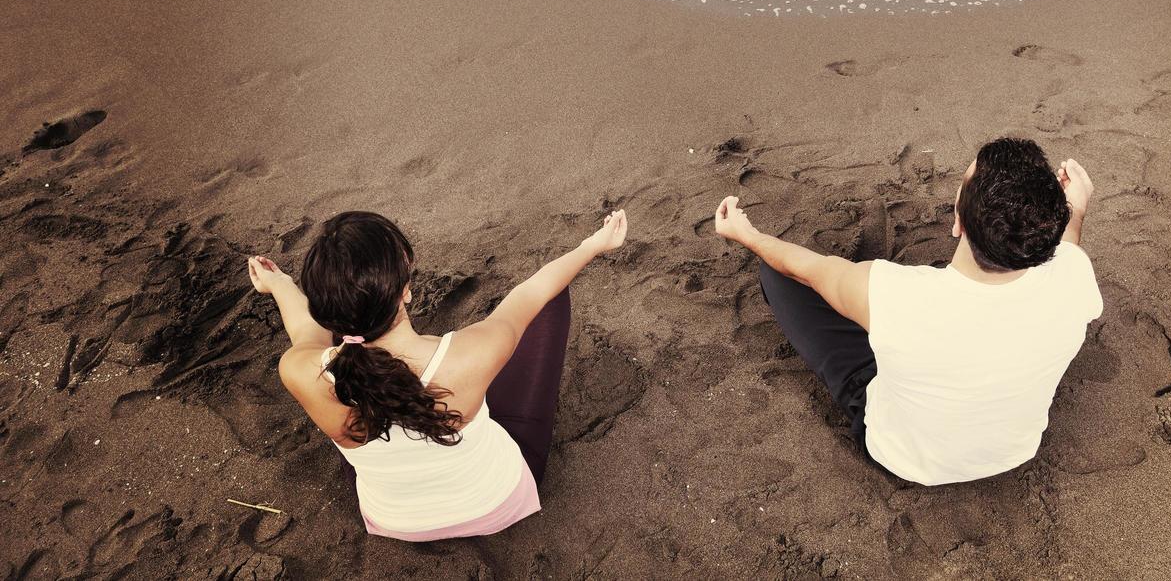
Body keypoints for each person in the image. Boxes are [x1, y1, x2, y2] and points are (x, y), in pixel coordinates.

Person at [714, 138, 1101, 486]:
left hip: (903, 456)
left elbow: (807, 270)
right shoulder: (1074, 276)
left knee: (776, 274)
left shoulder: (894, 293)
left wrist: (749, 236)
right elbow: (1069, 248)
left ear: (958, 223)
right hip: (1010, 451)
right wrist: (1075, 209)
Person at [245, 207, 627, 540]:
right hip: (495, 505)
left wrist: (280, 285)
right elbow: (530, 294)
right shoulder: (470, 354)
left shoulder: (298, 371)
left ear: (324, 312)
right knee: (547, 300)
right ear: (406, 291)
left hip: (391, 520)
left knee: (352, 420)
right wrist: (591, 246)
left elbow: (306, 337)